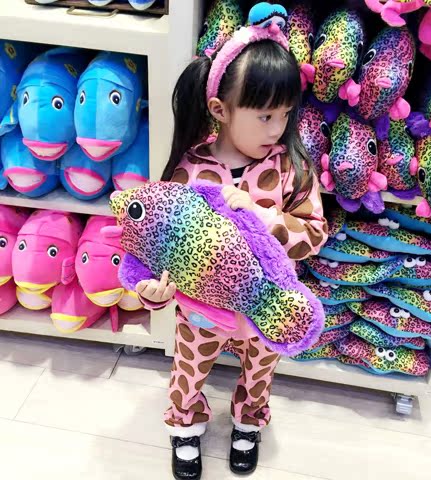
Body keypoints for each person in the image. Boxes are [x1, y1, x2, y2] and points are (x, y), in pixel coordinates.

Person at [135, 8, 328, 480]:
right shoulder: (189, 169)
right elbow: (157, 246)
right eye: (264, 115)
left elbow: (314, 233)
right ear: (220, 110)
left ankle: (248, 423)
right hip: (200, 308)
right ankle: (184, 427)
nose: (277, 128)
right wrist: (153, 292)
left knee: (260, 373)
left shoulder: (291, 167)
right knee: (188, 371)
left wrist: (265, 219)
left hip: (268, 306)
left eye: (285, 114)